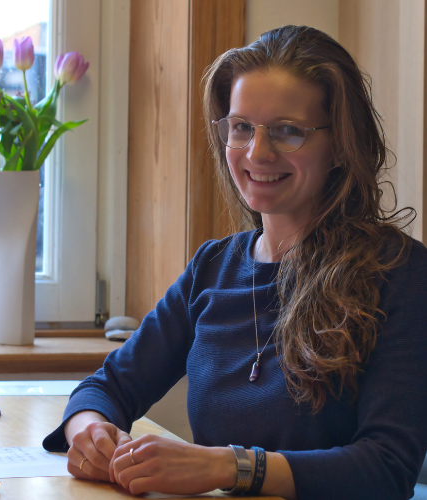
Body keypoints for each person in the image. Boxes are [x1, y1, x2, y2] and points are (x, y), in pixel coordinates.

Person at [43, 25, 427, 500]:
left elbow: (388, 468)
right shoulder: (212, 267)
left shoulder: (399, 272)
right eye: (242, 127)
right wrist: (91, 431)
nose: (257, 152)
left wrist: (230, 466)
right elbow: (107, 387)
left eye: (288, 131)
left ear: (340, 146)